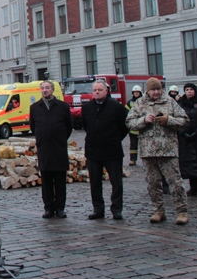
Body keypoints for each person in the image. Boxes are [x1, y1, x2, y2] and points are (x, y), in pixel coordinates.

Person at [126, 78, 189, 225]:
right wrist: (143, 121)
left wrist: (168, 120)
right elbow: (129, 122)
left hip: (168, 151)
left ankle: (181, 211)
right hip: (148, 151)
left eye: (158, 89)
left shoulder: (170, 101)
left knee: (175, 183)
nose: (156, 92)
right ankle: (158, 210)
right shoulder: (140, 103)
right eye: (153, 90)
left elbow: (184, 120)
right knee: (152, 183)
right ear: (147, 90)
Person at [80, 79, 128, 220]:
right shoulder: (87, 108)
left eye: (100, 90)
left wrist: (114, 138)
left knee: (116, 182)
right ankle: (98, 209)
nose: (97, 92)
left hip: (112, 150)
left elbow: (124, 127)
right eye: (95, 90)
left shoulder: (116, 107)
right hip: (93, 150)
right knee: (95, 182)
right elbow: (85, 125)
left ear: (106, 91)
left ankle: (117, 209)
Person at [29, 80, 73, 219]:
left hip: (58, 148)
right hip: (44, 149)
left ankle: (60, 208)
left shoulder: (63, 106)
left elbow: (69, 126)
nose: (45, 90)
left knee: (60, 180)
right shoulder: (35, 107)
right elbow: (33, 127)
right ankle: (48, 208)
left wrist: (60, 138)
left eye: (47, 88)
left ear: (52, 90)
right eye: (43, 88)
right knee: (46, 181)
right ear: (40, 90)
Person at [126, 86, 143, 166]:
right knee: (133, 146)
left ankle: (145, 160)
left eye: (138, 92)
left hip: (142, 127)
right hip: (133, 128)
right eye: (135, 92)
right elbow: (125, 112)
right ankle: (133, 159)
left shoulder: (144, 101)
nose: (136, 93)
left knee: (144, 145)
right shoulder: (130, 102)